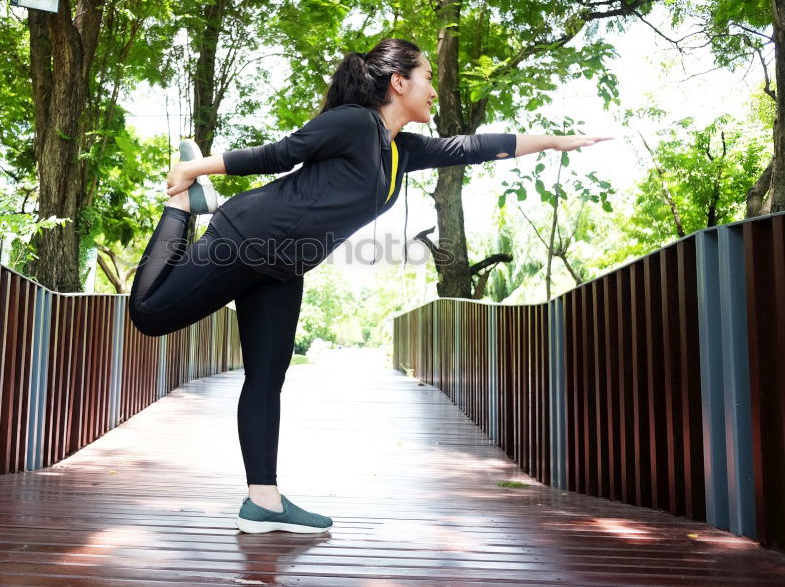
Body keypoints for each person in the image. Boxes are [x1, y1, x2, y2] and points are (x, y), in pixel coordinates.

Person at [128, 38, 611, 534]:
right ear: (399, 82)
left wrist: (551, 141)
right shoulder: (355, 122)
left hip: (285, 267)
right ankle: (182, 207)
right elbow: (281, 153)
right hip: (248, 237)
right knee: (149, 313)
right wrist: (194, 169)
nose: (433, 92)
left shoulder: (399, 151)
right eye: (426, 79)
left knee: (267, 378)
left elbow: (473, 148)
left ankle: (264, 502)